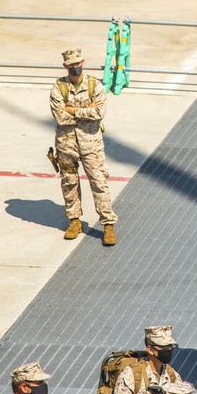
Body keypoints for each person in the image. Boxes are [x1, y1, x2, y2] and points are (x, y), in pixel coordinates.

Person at [50, 48, 117, 246]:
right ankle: (74, 221)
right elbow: (60, 117)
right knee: (69, 182)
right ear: (65, 66)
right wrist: (86, 109)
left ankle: (108, 224)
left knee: (99, 182)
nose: (75, 67)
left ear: (83, 62)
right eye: (71, 64)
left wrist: (72, 109)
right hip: (66, 144)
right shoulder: (58, 89)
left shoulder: (94, 86)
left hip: (91, 144)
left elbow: (99, 113)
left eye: (78, 63)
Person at [111, 326, 182, 394]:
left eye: (170, 346)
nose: (168, 350)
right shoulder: (132, 374)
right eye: (162, 347)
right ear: (150, 349)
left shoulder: (172, 375)